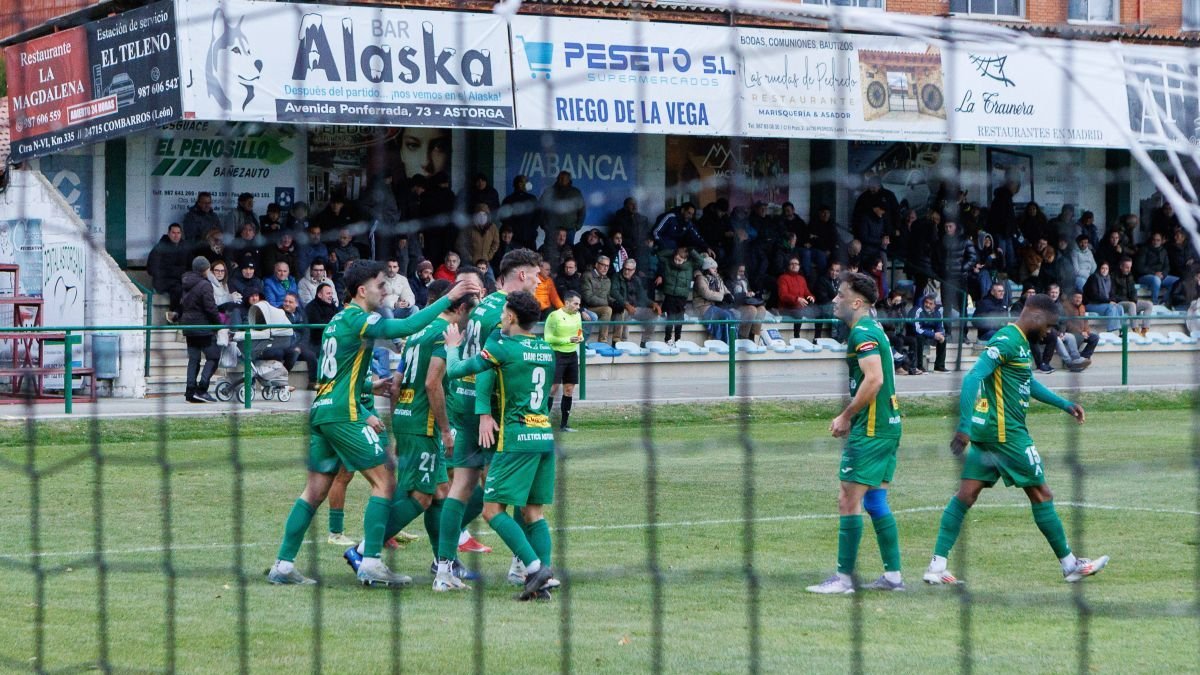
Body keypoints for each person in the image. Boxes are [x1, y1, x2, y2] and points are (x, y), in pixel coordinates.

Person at [266, 261, 480, 586]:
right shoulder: (358, 318)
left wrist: (370, 386)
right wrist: (448, 297)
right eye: (380, 285)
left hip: (324, 409)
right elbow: (404, 329)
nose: (385, 290)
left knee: (314, 491)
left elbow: (333, 376)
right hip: (345, 414)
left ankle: (282, 565)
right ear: (362, 291)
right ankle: (371, 561)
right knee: (387, 481)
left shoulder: (338, 320)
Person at [923, 294, 1109, 586]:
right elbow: (973, 377)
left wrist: (1064, 404)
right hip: (1006, 436)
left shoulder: (1019, 343)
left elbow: (1028, 382)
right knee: (1042, 494)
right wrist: (963, 427)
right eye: (1048, 327)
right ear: (1035, 318)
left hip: (991, 435)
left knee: (966, 495)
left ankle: (937, 566)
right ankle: (1070, 565)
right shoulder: (1007, 340)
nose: (1049, 333)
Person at [342, 279, 479, 588]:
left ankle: (444, 565)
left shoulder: (418, 333)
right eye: (472, 310)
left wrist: (398, 420)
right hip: (423, 425)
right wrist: (445, 429)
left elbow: (397, 381)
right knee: (421, 496)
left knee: (441, 492)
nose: (474, 316)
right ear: (460, 309)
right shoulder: (444, 336)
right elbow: (432, 384)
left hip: (407, 418)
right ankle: (363, 551)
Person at [444, 290, 559, 601]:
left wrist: (453, 348)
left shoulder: (503, 349)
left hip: (516, 439)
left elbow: (455, 371)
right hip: (544, 438)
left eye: (504, 313)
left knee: (493, 511)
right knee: (534, 512)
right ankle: (543, 579)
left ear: (510, 317)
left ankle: (535, 568)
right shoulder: (545, 348)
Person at [807, 272, 904, 594]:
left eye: (840, 295)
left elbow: (873, 379)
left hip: (872, 429)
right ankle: (893, 577)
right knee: (875, 499)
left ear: (857, 302)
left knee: (847, 499)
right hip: (888, 426)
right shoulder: (874, 328)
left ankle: (844, 580)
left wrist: (846, 415)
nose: (835, 300)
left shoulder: (862, 331)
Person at [180, 257, 223, 403]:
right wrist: (219, 325)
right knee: (214, 357)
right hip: (203, 326)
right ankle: (202, 389)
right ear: (205, 269)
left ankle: (190, 391)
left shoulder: (186, 281)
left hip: (188, 326)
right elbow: (211, 308)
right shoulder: (205, 285)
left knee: (194, 359)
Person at [544, 290, 584, 432]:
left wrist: (580, 337)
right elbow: (547, 338)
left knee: (569, 389)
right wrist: (567, 339)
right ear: (566, 303)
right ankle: (542, 422)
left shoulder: (578, 315)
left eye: (579, 304)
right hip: (557, 355)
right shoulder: (554, 316)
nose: (578, 306)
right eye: (575, 304)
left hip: (572, 354)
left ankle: (564, 425)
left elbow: (579, 331)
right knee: (553, 388)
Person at [656, 247, 703, 345]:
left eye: (680, 260)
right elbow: (660, 255)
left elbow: (700, 261)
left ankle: (678, 339)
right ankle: (667, 338)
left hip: (681, 296)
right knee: (670, 317)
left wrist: (691, 250)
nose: (677, 262)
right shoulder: (669, 262)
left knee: (679, 317)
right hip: (670, 294)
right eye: (675, 259)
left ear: (685, 259)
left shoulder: (690, 265)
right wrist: (674, 251)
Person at [539, 171, 586, 260]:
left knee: (568, 253)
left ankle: (567, 271)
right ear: (557, 179)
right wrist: (544, 225)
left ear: (569, 180)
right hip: (551, 229)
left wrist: (577, 226)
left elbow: (582, 210)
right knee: (548, 252)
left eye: (565, 178)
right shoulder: (549, 191)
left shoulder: (575, 192)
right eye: (560, 178)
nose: (562, 180)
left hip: (569, 229)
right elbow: (541, 209)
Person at [147, 223, 190, 320]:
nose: (176, 235)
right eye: (173, 233)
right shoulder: (160, 248)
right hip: (163, 281)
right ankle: (174, 314)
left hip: (182, 279)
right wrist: (172, 272)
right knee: (178, 289)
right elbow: (151, 268)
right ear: (168, 233)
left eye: (178, 233)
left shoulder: (185, 247)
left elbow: (190, 266)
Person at [693, 257, 737, 343]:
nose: (715, 270)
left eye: (716, 268)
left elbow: (724, 289)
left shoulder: (717, 278)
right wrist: (722, 297)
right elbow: (706, 293)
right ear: (706, 268)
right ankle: (726, 342)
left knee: (733, 315)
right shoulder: (700, 279)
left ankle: (733, 342)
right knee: (726, 316)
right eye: (713, 268)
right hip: (703, 307)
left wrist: (729, 295)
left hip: (715, 306)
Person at [281, 293, 318, 389]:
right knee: (294, 354)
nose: (287, 304)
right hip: (286, 344)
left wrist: (301, 346)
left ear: (296, 304)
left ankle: (312, 382)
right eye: (285, 301)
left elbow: (306, 332)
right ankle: (280, 380)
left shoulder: (301, 314)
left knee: (311, 355)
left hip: (300, 344)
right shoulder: (279, 312)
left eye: (290, 302)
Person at [777, 257, 817, 339]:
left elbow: (807, 292)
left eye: (796, 264)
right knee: (800, 312)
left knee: (818, 310)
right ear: (788, 266)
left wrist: (811, 297)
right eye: (792, 263)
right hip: (786, 308)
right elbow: (783, 295)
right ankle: (796, 336)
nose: (794, 265)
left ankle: (817, 338)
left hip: (800, 307)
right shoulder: (783, 278)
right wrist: (797, 299)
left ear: (799, 266)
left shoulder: (801, 279)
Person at [1113, 256, 1152, 336]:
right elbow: (1112, 295)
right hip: (1119, 303)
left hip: (1130, 302)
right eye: (1127, 267)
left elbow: (1133, 291)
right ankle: (1135, 329)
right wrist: (1129, 300)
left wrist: (1134, 299)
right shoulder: (1113, 277)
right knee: (1132, 304)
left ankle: (1145, 330)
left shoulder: (1130, 276)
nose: (1129, 269)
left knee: (1149, 304)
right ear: (1121, 266)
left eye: (1130, 267)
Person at [1135, 232, 1178, 305]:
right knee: (1156, 280)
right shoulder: (1144, 250)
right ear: (1151, 240)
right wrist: (1154, 273)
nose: (1156, 242)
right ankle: (1154, 303)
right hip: (1145, 276)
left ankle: (1165, 301)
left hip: (1160, 276)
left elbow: (1167, 266)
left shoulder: (1163, 251)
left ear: (1161, 241)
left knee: (1176, 281)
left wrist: (1163, 274)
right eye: (1154, 240)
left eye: (1158, 240)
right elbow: (1140, 267)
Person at [727, 264, 767, 342]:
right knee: (751, 310)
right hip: (736, 305)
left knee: (762, 309)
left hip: (747, 303)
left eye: (743, 271)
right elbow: (731, 297)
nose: (742, 273)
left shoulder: (745, 280)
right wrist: (745, 294)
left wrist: (750, 293)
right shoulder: (729, 281)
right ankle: (743, 336)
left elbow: (748, 291)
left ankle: (753, 336)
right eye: (740, 271)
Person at [909, 294, 947, 373]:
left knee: (943, 339)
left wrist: (940, 335)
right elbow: (917, 329)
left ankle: (939, 366)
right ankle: (919, 366)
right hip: (918, 334)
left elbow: (940, 327)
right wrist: (933, 334)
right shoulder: (918, 310)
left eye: (930, 303)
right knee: (919, 338)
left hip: (930, 334)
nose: (927, 305)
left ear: (934, 305)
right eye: (926, 302)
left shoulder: (937, 313)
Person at [1083, 261, 1125, 332]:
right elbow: (1094, 296)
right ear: (1099, 269)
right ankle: (1111, 331)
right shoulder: (1093, 278)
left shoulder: (1109, 279)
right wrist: (1108, 301)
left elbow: (1112, 294)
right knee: (1111, 308)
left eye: (1106, 269)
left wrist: (1113, 301)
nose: (1104, 270)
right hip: (1091, 304)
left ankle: (1121, 331)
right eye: (1103, 268)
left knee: (1119, 307)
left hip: (1103, 304)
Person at [581, 256, 616, 344]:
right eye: (603, 265)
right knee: (607, 309)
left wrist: (615, 302)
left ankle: (618, 340)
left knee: (621, 310)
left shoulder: (607, 280)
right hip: (587, 308)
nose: (605, 268)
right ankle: (602, 342)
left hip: (600, 308)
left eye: (607, 266)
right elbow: (588, 298)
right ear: (596, 265)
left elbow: (607, 296)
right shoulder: (587, 276)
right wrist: (608, 303)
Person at [500, 175, 540, 249]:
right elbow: (503, 217)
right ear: (520, 184)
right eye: (526, 182)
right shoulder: (508, 200)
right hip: (514, 239)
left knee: (532, 259)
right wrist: (512, 229)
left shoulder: (532, 198)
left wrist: (532, 229)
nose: (528, 183)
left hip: (529, 238)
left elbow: (538, 215)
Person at [304, 282, 340, 352]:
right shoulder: (311, 307)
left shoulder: (333, 306)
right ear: (320, 295)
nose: (331, 296)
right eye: (328, 293)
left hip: (333, 339)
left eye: (331, 293)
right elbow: (318, 326)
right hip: (316, 342)